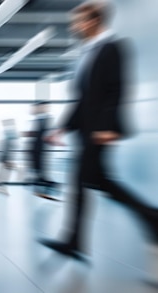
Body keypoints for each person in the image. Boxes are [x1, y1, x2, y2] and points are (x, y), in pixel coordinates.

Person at [41, 2, 158, 258]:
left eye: (78, 21)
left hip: (99, 130)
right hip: (86, 129)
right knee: (93, 180)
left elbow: (117, 88)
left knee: (90, 180)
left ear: (93, 21)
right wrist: (62, 128)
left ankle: (150, 217)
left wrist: (108, 127)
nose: (74, 27)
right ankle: (76, 240)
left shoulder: (112, 47)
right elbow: (83, 97)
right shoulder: (88, 51)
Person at [23, 101, 58, 200]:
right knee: (38, 171)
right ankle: (44, 186)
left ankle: (49, 185)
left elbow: (42, 136)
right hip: (36, 150)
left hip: (39, 150)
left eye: (35, 108)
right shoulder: (38, 120)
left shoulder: (46, 120)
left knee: (39, 171)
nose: (33, 110)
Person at [0, 119, 18, 195]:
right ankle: (2, 188)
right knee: (5, 173)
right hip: (7, 156)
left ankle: (0, 186)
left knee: (3, 172)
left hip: (5, 156)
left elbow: (6, 146)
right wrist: (10, 158)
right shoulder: (11, 133)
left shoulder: (7, 133)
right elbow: (12, 146)